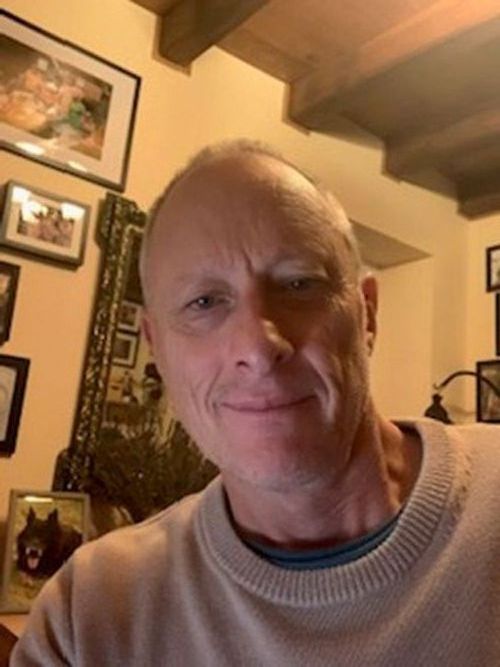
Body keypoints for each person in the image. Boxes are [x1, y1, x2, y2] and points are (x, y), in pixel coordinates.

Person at [11, 140, 500, 666]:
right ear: (158, 350)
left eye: (298, 284)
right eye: (204, 302)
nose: (259, 346)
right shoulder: (88, 615)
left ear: (367, 315)